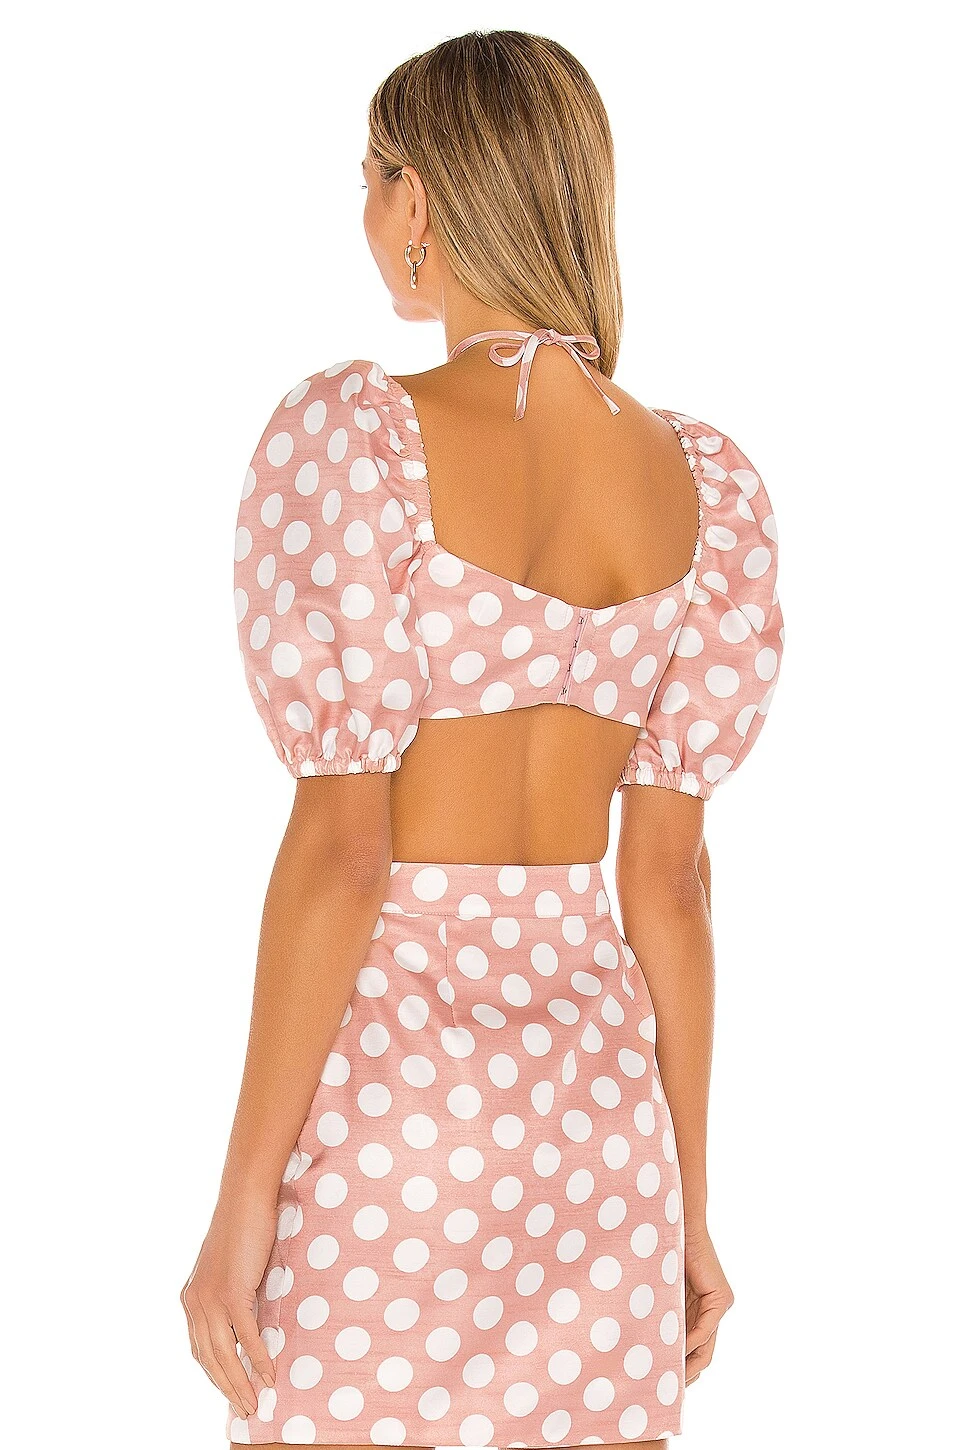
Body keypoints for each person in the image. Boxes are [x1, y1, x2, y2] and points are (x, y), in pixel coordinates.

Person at [180, 27, 784, 1450]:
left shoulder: (358, 438)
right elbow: (671, 888)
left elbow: (344, 854)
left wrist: (244, 1197)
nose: (367, 213)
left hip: (395, 1091)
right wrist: (690, 1207)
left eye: (369, 180)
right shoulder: (702, 482)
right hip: (598, 1113)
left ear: (420, 199)